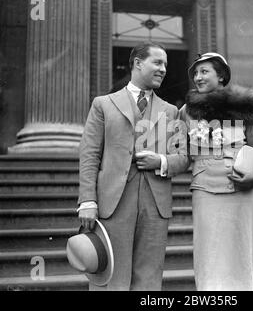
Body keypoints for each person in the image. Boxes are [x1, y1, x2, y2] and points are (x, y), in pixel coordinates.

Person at [77, 42, 189, 291]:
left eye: (166, 65)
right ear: (138, 63)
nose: (163, 70)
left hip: (154, 205)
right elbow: (89, 155)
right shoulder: (103, 104)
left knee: (149, 280)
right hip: (112, 203)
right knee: (110, 277)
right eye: (158, 63)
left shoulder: (171, 112)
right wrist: (87, 201)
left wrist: (160, 161)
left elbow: (183, 157)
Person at [180, 52, 253, 291]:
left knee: (243, 252)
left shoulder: (243, 106)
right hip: (205, 191)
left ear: (221, 76)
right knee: (210, 254)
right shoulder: (187, 112)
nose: (198, 77)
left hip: (243, 191)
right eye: (195, 73)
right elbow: (180, 153)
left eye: (204, 71)